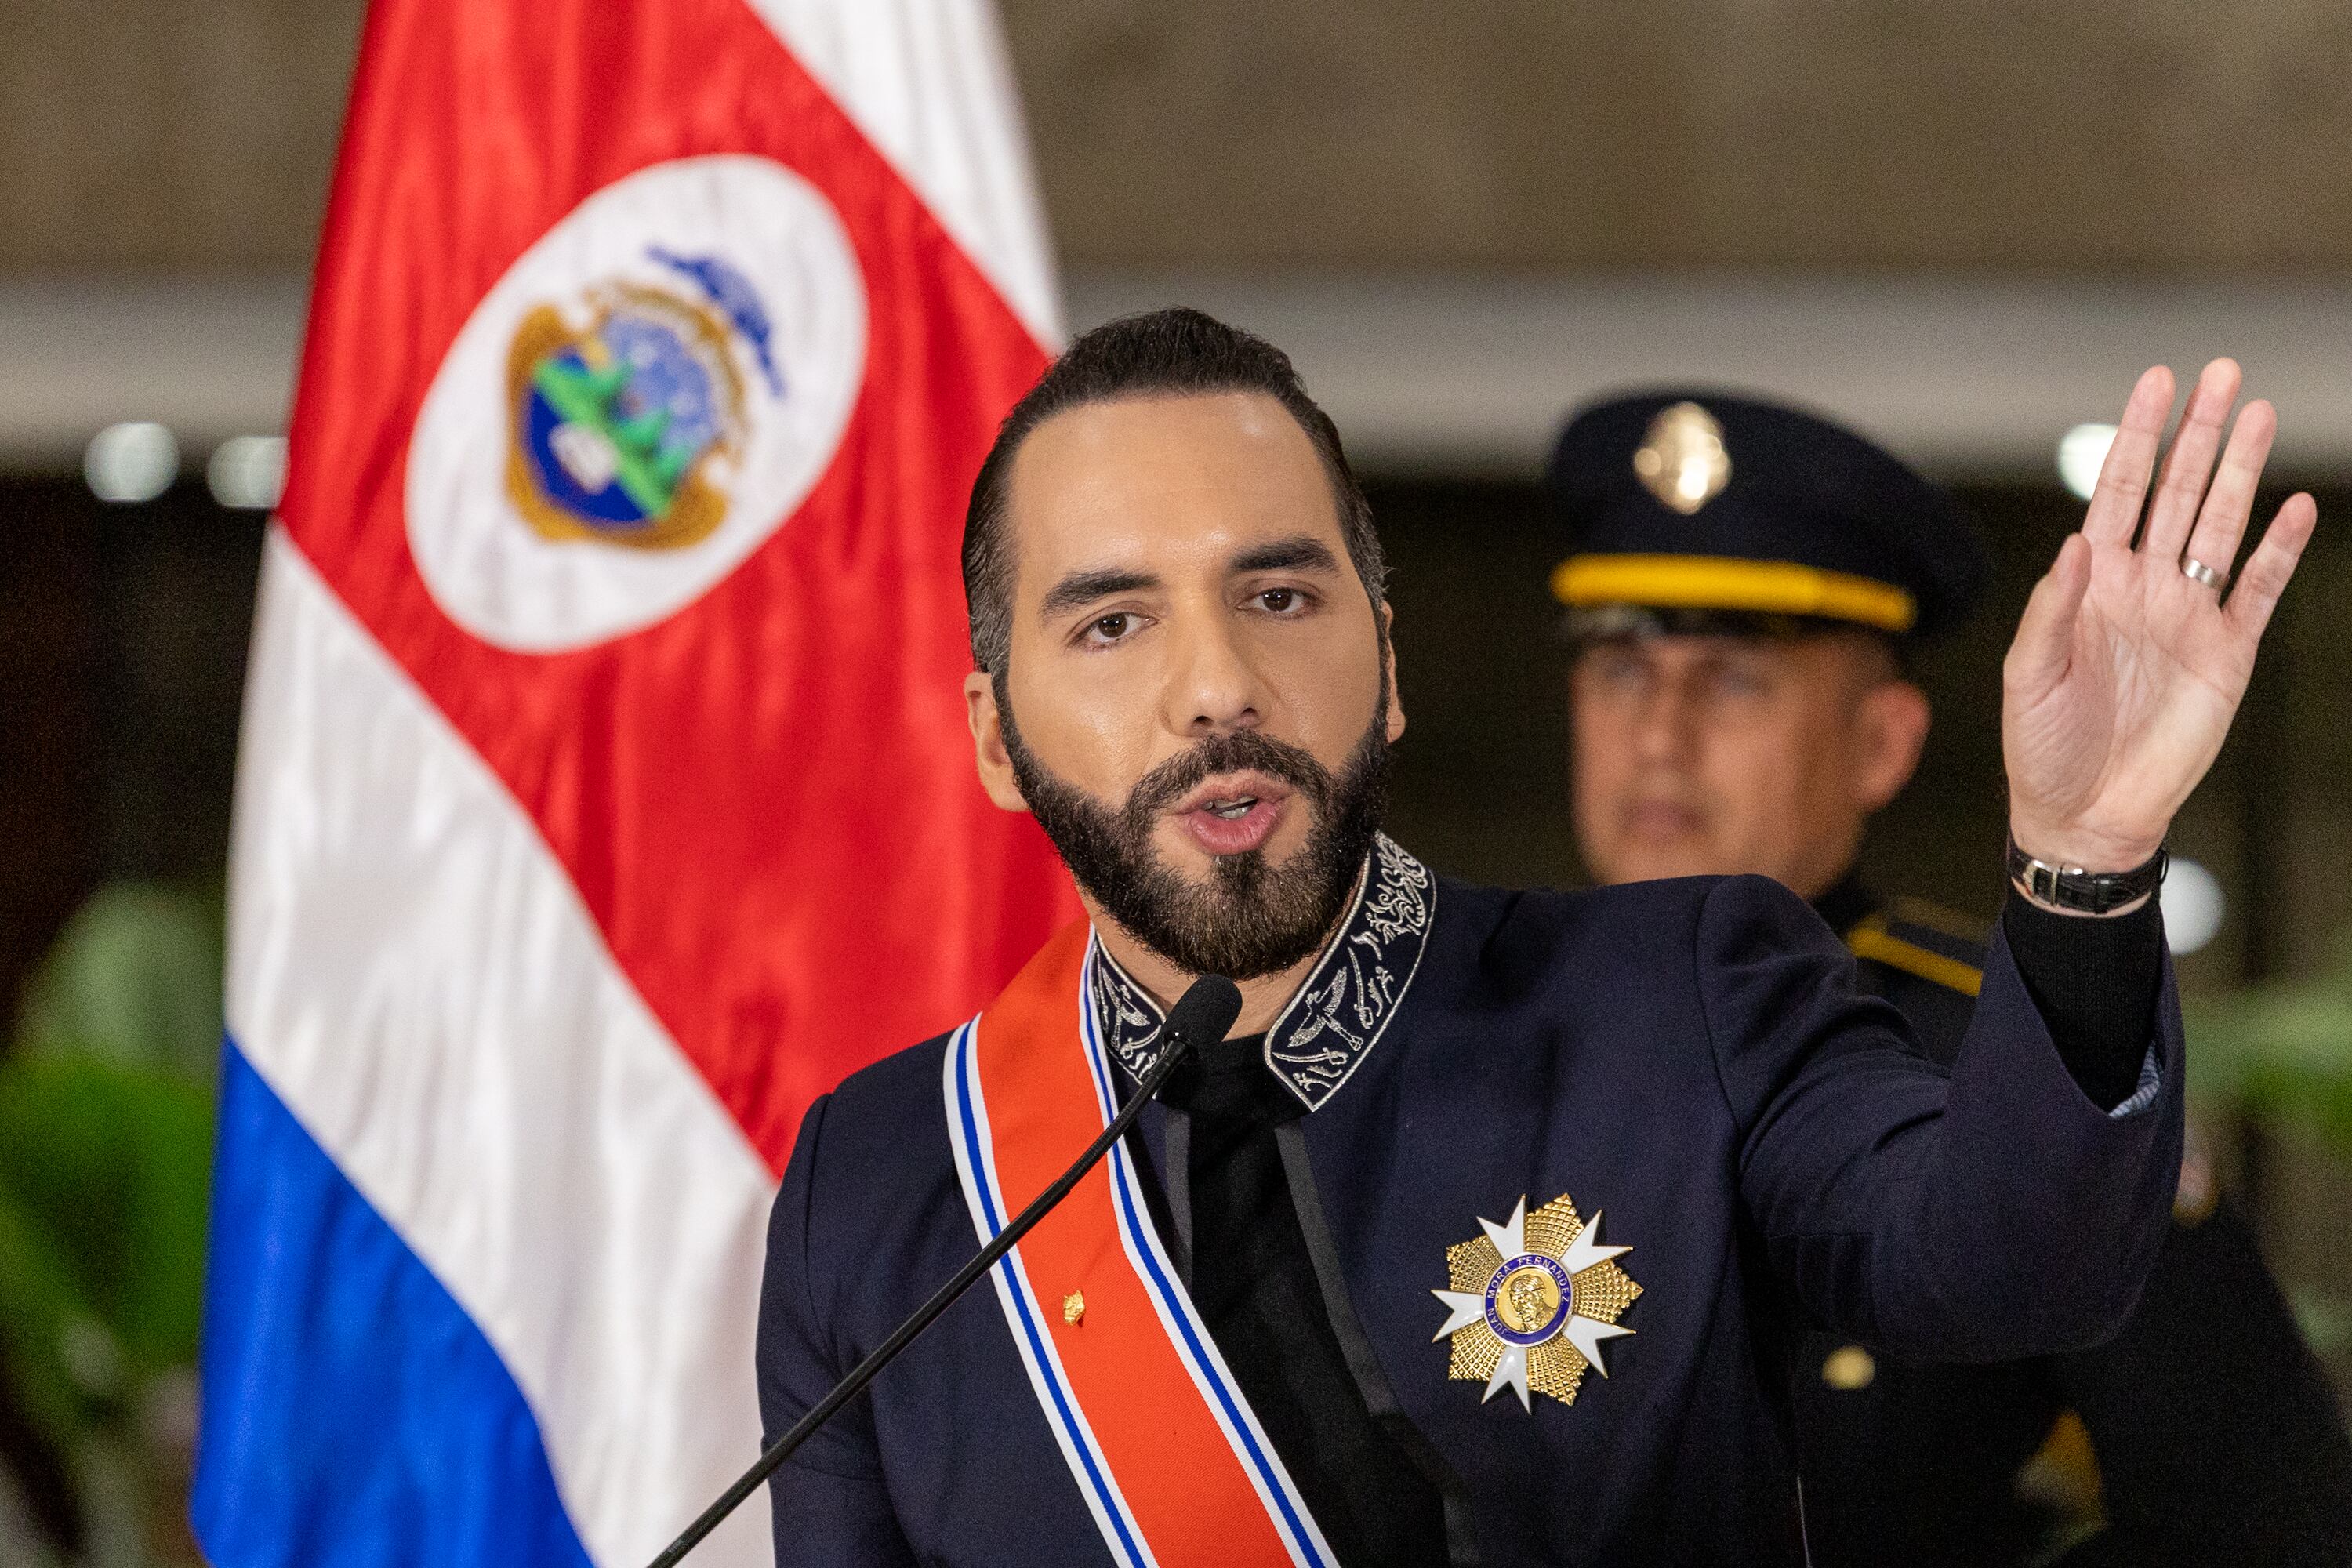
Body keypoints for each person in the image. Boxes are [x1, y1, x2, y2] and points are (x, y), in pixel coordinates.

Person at [755, 307, 2316, 1566]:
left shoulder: (1688, 993)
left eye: (1282, 596)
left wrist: (2086, 867)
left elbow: (2013, 1268)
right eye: (1112, 622)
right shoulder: (882, 1182)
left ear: (1389, 665)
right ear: (991, 737)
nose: (1213, 684)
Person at [1551, 387, 2352, 1566]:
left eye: (1733, 680)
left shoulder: (2019, 1049)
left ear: (1884, 743)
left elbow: (2265, 1521)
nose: (1660, 736)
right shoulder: (1464, 1023)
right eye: (1622, 671)